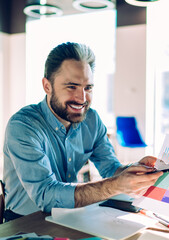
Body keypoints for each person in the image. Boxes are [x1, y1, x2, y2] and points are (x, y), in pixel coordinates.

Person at [3, 42, 163, 221]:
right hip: (24, 222)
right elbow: (46, 196)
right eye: (72, 87)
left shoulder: (92, 120)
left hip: (71, 216)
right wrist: (114, 186)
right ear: (47, 86)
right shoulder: (23, 126)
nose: (82, 98)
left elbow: (111, 168)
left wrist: (133, 172)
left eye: (88, 88)